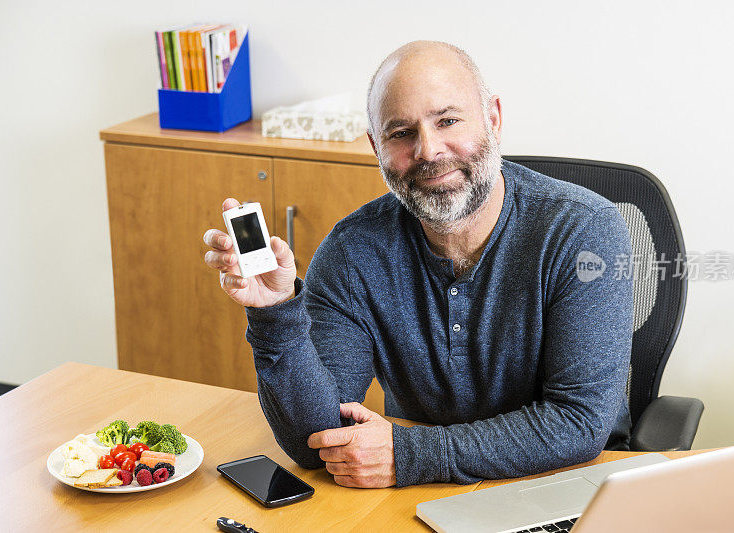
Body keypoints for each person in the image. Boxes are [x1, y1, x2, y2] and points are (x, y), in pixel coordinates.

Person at [203, 40, 633, 489]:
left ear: (494, 119)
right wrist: (276, 313)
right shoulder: (353, 251)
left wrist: (411, 454)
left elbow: (579, 423)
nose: (428, 150)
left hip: (569, 483)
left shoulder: (584, 230)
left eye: (448, 120)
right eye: (400, 133)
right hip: (422, 494)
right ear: (376, 147)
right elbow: (317, 442)